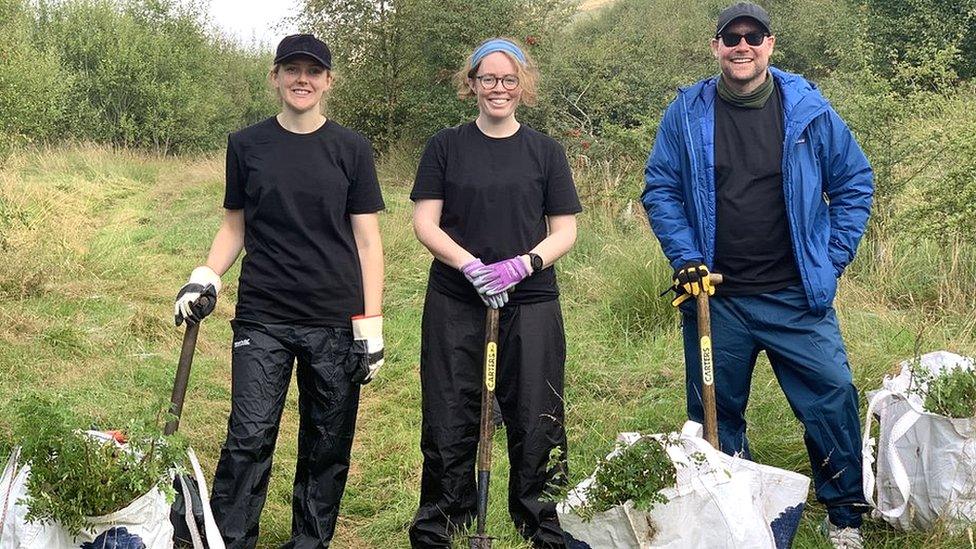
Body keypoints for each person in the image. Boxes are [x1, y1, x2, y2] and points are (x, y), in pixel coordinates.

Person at [641, 3, 873, 548]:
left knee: (832, 395)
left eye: (753, 36)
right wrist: (685, 256)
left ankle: (844, 516)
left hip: (796, 295)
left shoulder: (809, 111)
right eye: (731, 37)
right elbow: (661, 189)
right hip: (714, 297)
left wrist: (831, 257)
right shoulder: (687, 112)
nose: (742, 45)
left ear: (770, 44)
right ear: (716, 46)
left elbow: (855, 182)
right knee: (714, 412)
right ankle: (731, 514)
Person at [172, 33, 385, 549]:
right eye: (292, 69)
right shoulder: (246, 145)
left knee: (326, 443)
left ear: (328, 81)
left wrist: (371, 325)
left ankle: (309, 541)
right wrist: (207, 274)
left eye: (313, 72)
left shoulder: (351, 149)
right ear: (275, 76)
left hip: (334, 319)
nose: (302, 80)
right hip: (263, 315)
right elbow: (234, 227)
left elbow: (367, 242)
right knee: (248, 436)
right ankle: (227, 539)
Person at [408, 38, 581, 548]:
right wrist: (469, 265)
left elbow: (565, 231)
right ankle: (444, 520)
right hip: (456, 301)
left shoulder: (546, 151)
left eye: (508, 80)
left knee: (537, 414)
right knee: (449, 411)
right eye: (488, 78)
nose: (497, 88)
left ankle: (541, 523)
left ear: (522, 87)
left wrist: (522, 266)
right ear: (472, 84)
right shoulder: (445, 145)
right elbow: (424, 221)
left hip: (531, 303)